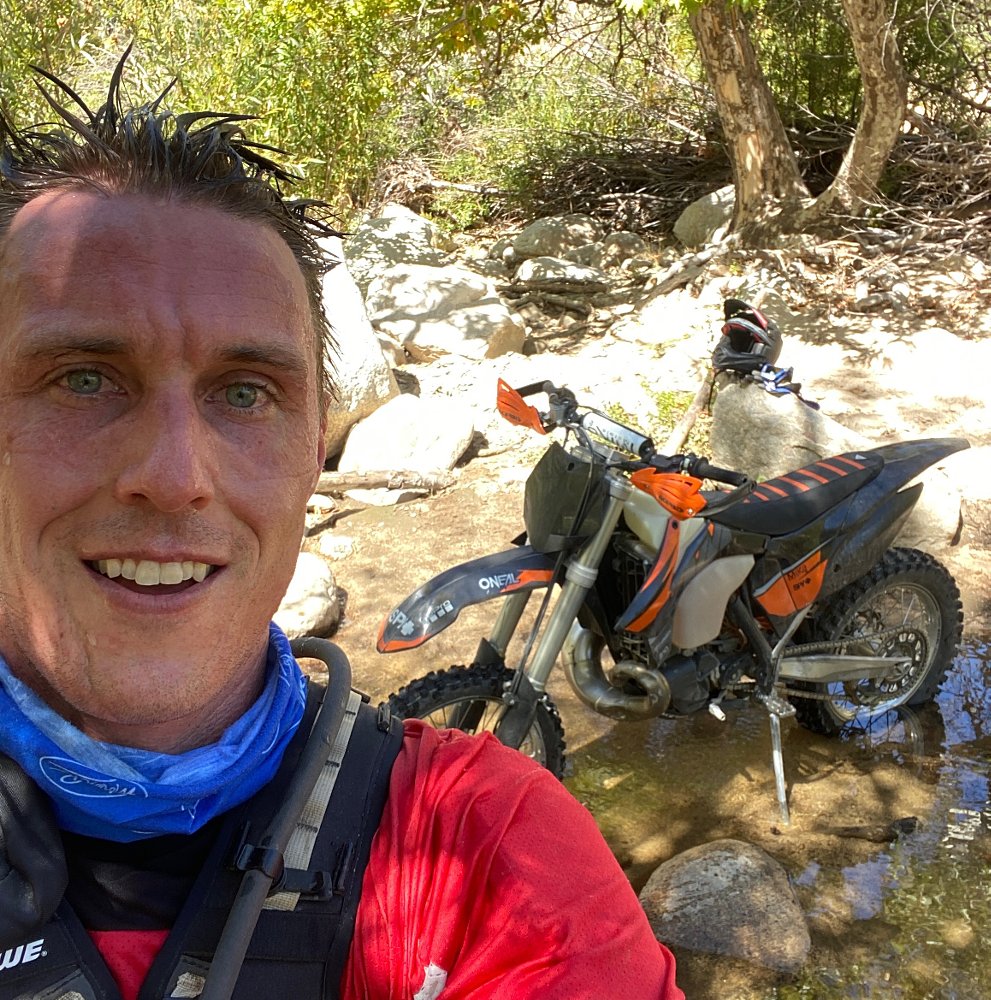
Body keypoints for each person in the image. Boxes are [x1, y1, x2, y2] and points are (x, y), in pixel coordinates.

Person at [0, 54, 683, 1000]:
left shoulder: (491, 851)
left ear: (314, 447)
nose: (173, 477)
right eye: (83, 378)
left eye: (245, 393)